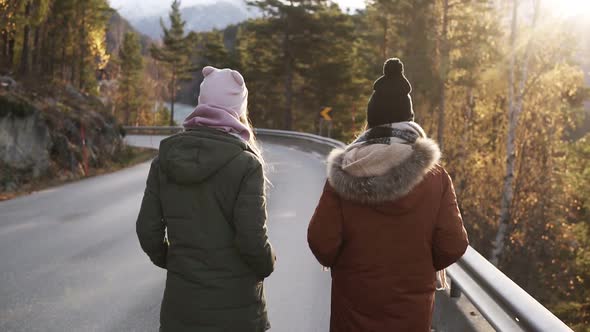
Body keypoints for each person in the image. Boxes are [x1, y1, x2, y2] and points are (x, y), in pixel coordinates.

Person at [307, 58, 469, 332]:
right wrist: (417, 266)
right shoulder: (434, 177)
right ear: (409, 121)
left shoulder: (343, 172)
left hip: (353, 310)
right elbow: (452, 244)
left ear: (372, 121)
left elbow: (322, 243)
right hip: (411, 314)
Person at [136, 66, 276, 332]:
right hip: (236, 311)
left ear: (202, 103)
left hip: (182, 308)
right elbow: (252, 239)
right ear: (239, 108)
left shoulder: (165, 160)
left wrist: (174, 261)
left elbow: (147, 230)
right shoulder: (246, 164)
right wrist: (267, 264)